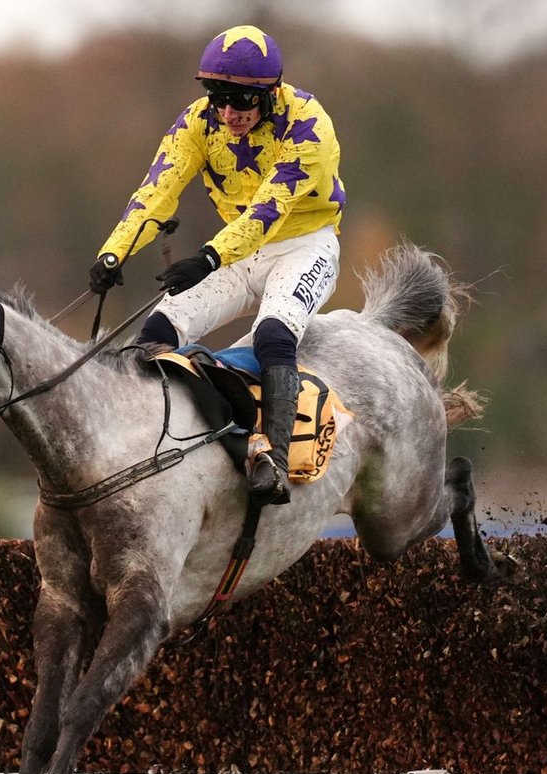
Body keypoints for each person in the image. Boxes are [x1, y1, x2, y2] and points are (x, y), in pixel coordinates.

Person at [87, 25, 346, 508]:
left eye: (241, 101)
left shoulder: (309, 123)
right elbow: (157, 191)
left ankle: (274, 460)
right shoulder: (197, 122)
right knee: (158, 329)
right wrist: (114, 252)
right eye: (218, 98)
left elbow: (267, 212)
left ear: (269, 94)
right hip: (237, 250)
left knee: (273, 334)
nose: (228, 113)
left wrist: (209, 257)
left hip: (304, 246)